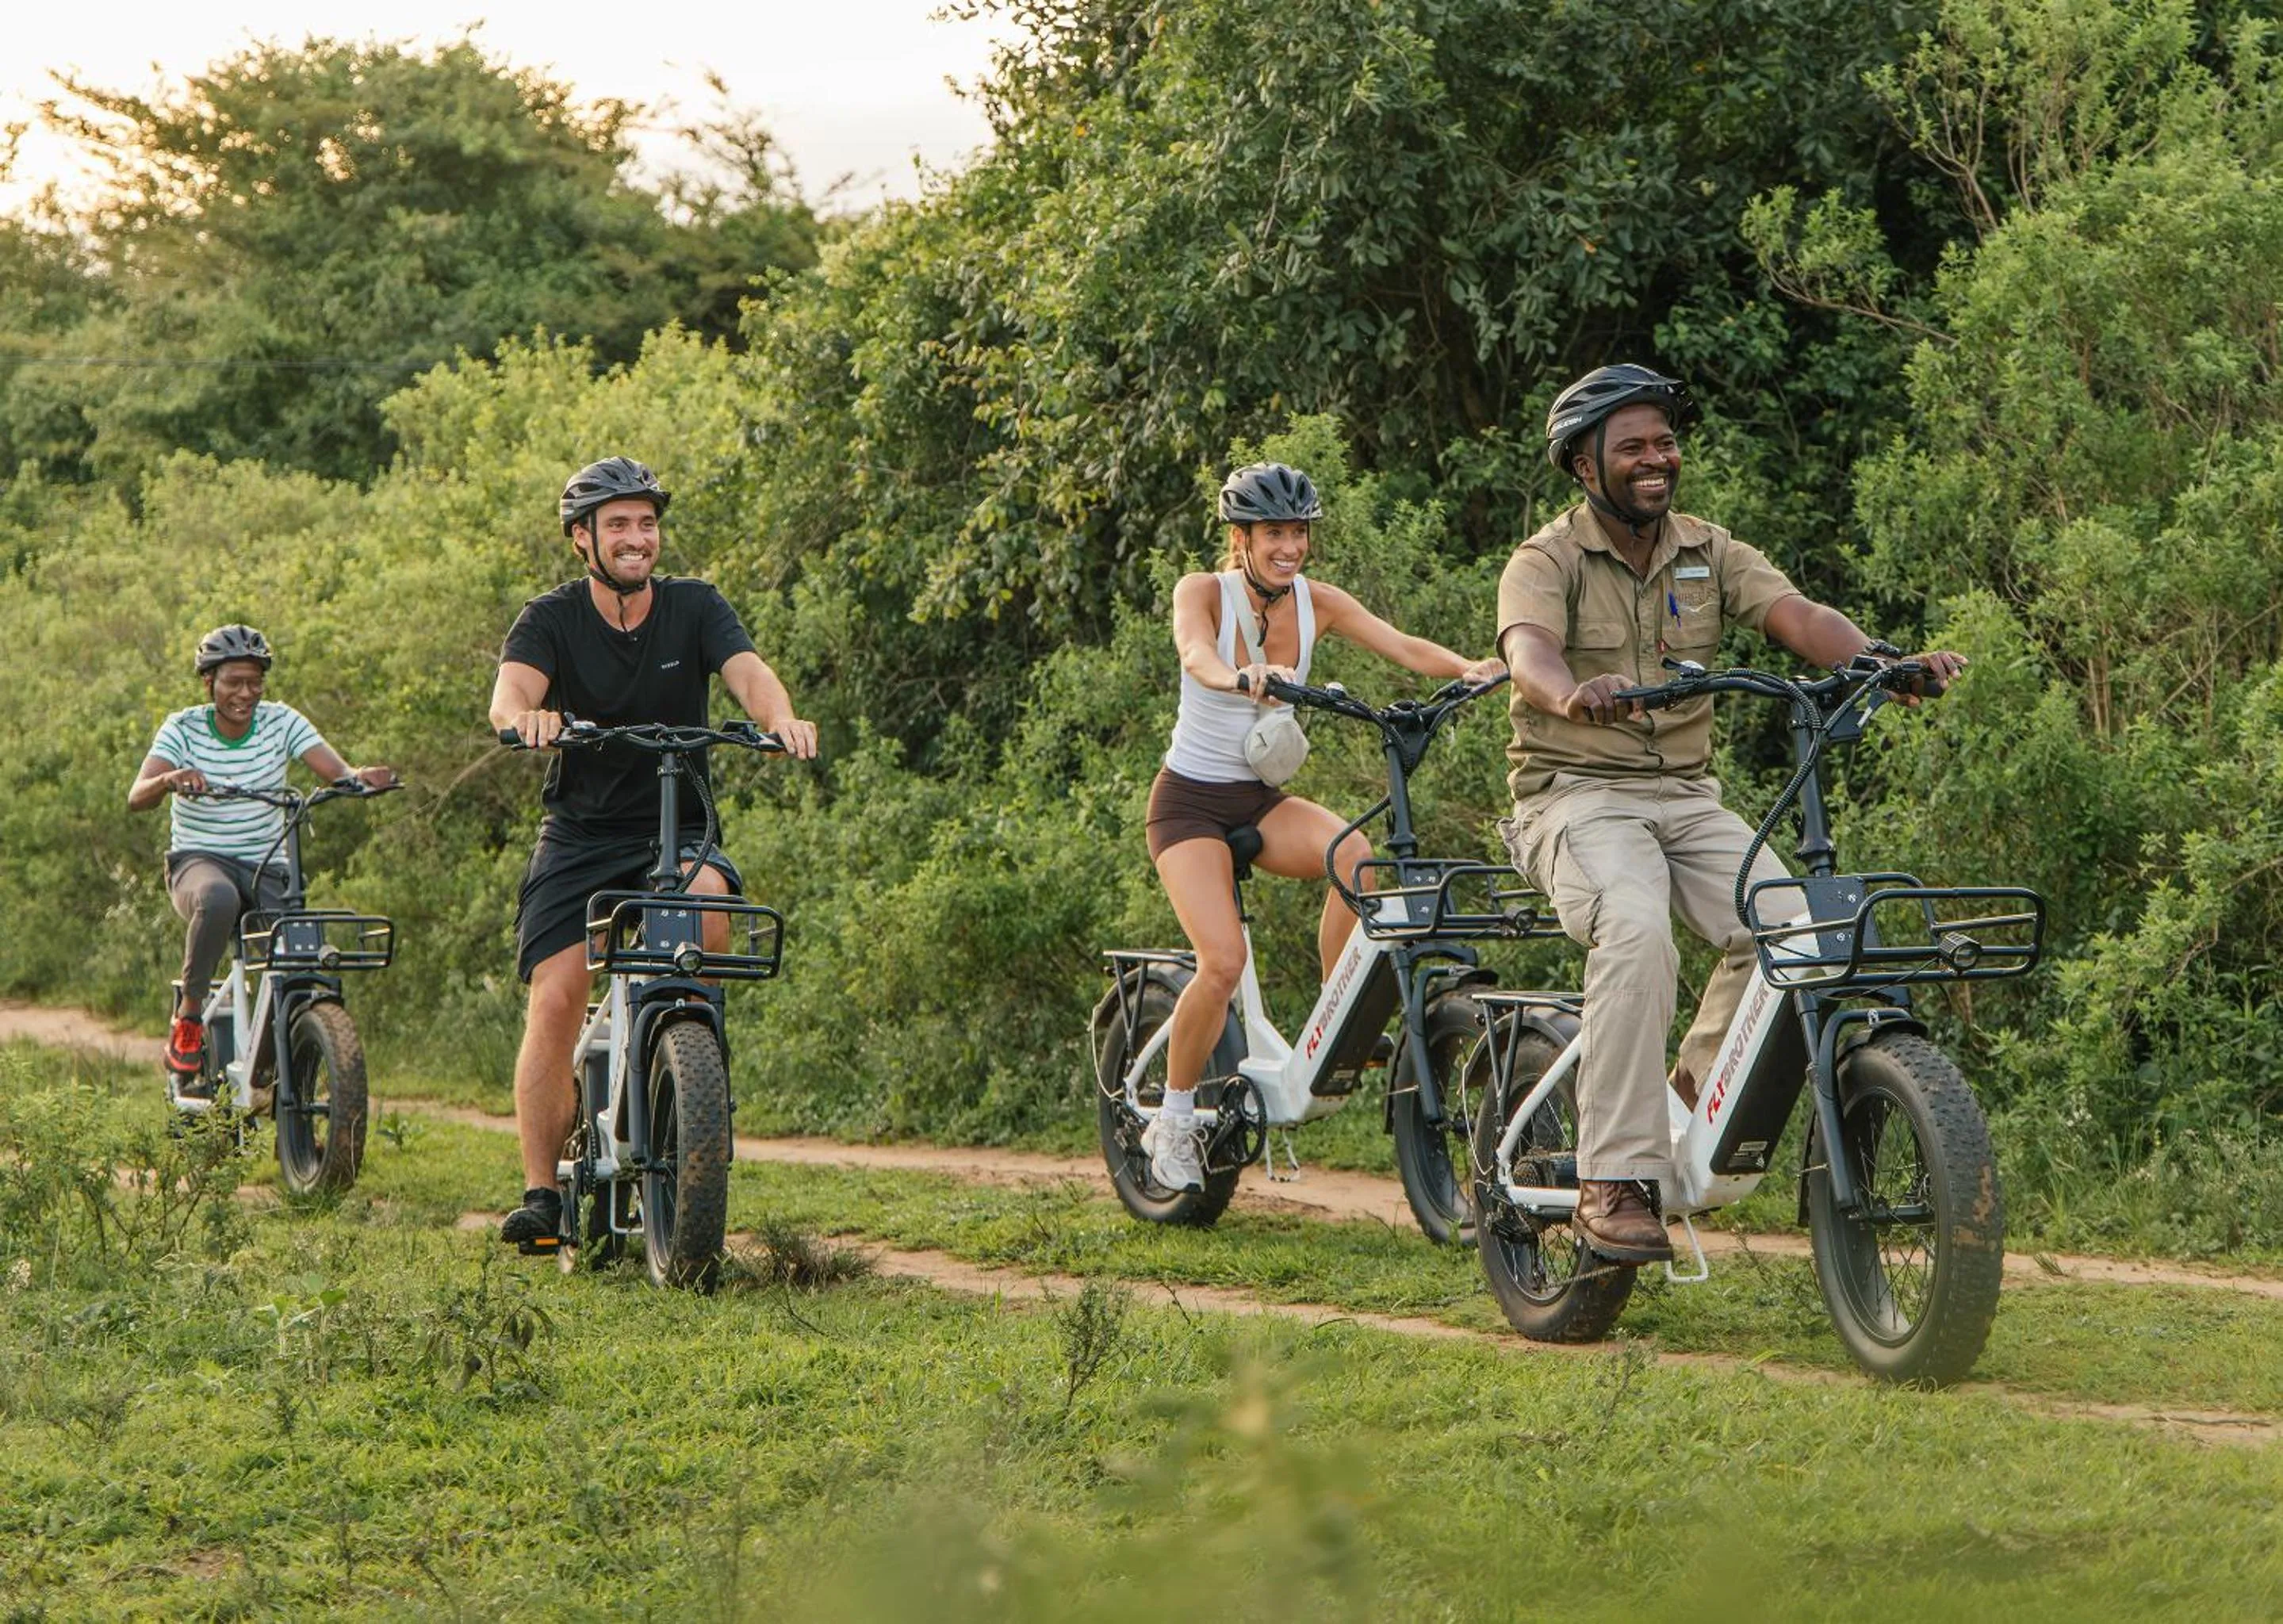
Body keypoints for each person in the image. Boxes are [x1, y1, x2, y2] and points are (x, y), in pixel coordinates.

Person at [1495, 364, 1965, 1262]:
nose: (1654, 458)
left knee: (1792, 930)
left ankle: (1679, 1100)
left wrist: (1881, 661)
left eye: (1664, 441)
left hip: (1685, 796)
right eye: (1631, 444)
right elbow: (1528, 653)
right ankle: (1610, 1177)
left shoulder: (1707, 548)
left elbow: (1794, 612)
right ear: (1584, 465)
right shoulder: (1543, 559)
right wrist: (1570, 695)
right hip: (1575, 797)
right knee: (1635, 929)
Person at [1143, 461, 1507, 1194]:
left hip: (1256, 799)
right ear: (1240, 537)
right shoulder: (1202, 591)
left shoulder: (1319, 602)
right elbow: (1194, 652)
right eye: (1274, 532)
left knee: (1356, 857)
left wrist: (1471, 668)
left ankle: (1333, 1018)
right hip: (1186, 805)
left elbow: (1402, 647)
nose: (1290, 546)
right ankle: (1173, 1117)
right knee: (1220, 962)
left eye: (1298, 532)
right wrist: (1234, 676)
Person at [486, 456, 818, 1247]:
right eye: (619, 525)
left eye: (646, 523)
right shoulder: (550, 618)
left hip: (679, 826)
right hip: (581, 835)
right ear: (582, 540)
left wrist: (782, 719)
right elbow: (510, 694)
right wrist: (528, 719)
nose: (637, 539)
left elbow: (749, 674)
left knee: (707, 922)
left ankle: (685, 1076)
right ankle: (543, 1194)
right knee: (558, 996)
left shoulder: (696, 606)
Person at [127, 625, 397, 1091]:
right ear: (209, 681)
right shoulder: (183, 727)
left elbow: (337, 773)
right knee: (217, 899)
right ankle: (189, 1021)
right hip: (199, 862)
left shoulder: (281, 721)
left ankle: (292, 1055)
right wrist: (170, 779)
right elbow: (137, 796)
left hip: (267, 862)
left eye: (255, 681)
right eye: (234, 682)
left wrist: (361, 779)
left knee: (297, 949)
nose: (246, 693)